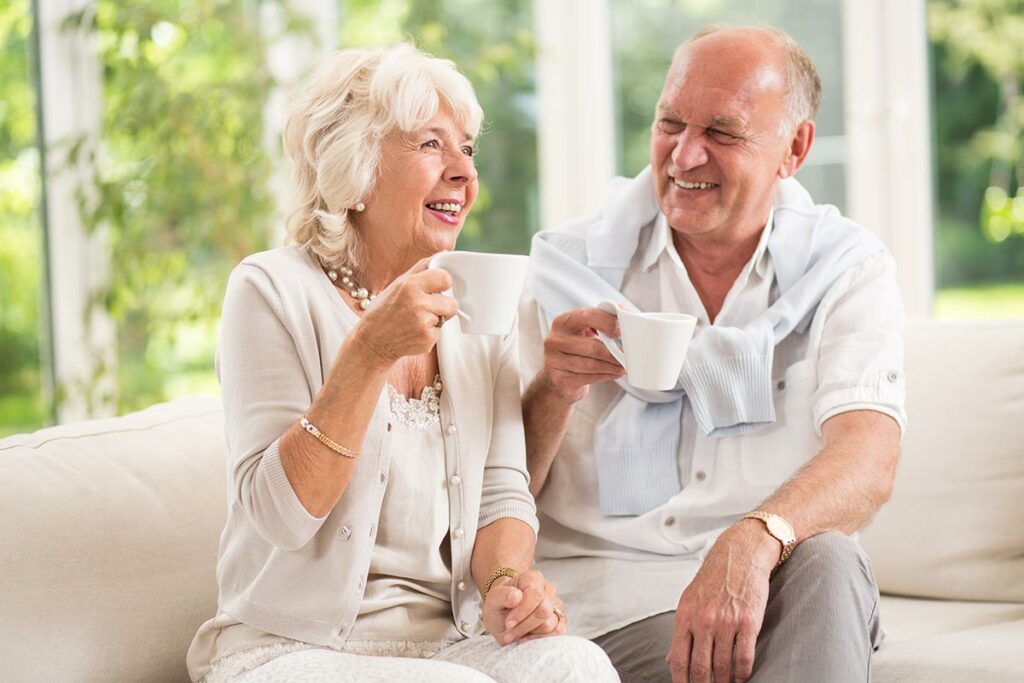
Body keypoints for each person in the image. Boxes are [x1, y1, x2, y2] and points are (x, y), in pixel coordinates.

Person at [186, 44, 617, 683]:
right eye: (430, 145)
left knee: (576, 665)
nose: (464, 174)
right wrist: (369, 353)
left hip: (446, 648)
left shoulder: (474, 301)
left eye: (466, 149)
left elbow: (502, 489)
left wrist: (507, 584)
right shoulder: (271, 290)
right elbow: (279, 515)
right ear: (353, 170)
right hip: (286, 648)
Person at [519, 25, 905, 683]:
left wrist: (755, 538)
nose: (685, 156)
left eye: (722, 134)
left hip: (775, 590)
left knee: (831, 560)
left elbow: (868, 456)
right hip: (603, 612)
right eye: (671, 123)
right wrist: (553, 390)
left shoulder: (844, 268)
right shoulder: (569, 266)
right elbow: (495, 489)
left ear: (795, 148)